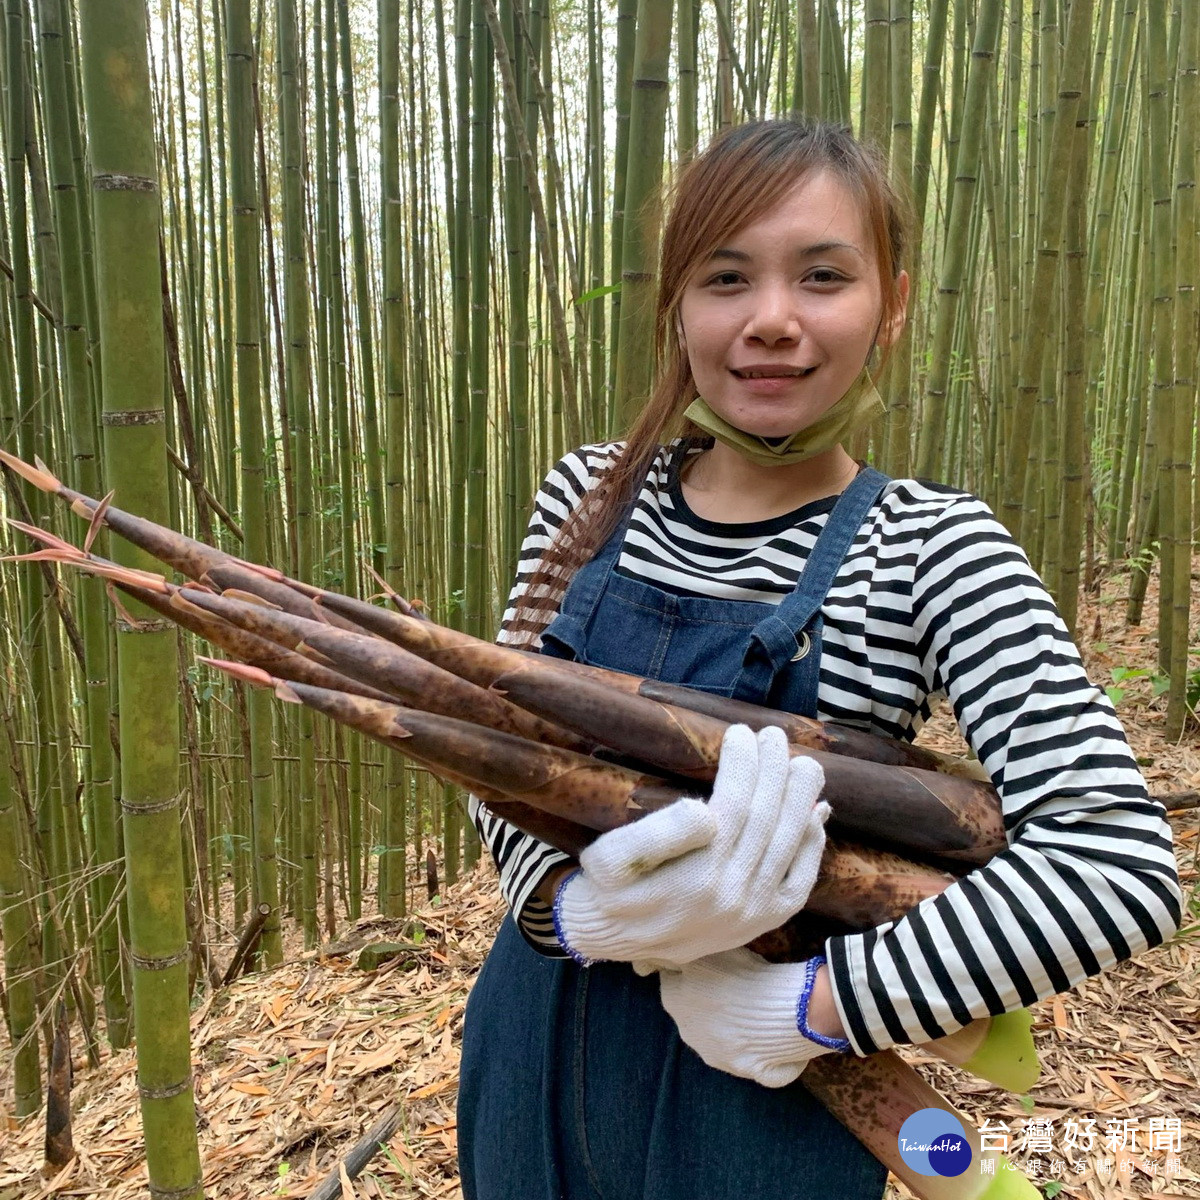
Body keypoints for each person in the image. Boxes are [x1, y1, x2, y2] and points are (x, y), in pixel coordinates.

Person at [456, 119, 1182, 1200]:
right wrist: (571, 910)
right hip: (535, 1039)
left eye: (824, 276)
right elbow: (493, 757)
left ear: (891, 304)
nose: (772, 322)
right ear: (679, 304)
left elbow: (1116, 864)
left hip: (767, 1087)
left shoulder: (933, 545)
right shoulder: (587, 495)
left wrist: (820, 1005)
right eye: (728, 277)